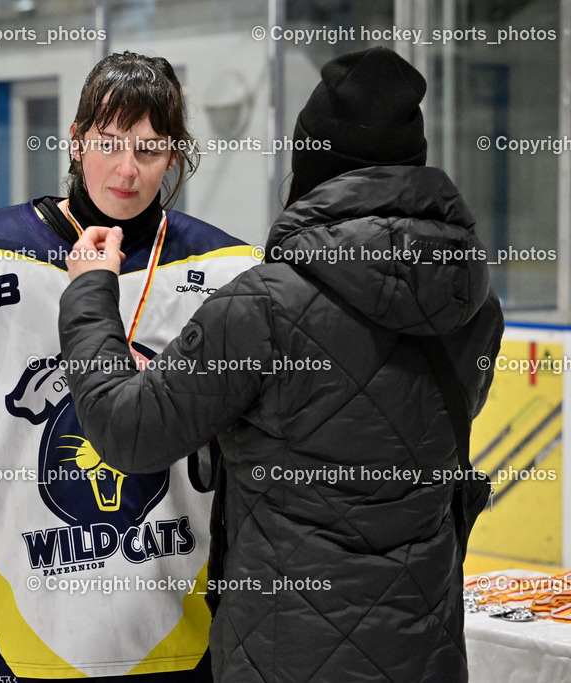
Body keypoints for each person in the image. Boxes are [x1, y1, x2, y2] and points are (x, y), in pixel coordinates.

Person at [56, 46, 505, 682]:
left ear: (310, 165)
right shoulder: (472, 301)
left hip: (285, 647)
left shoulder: (262, 306)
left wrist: (91, 293)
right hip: (424, 643)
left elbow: (127, 430)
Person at [0, 51, 260, 683]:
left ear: (174, 156)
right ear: (77, 138)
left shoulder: (228, 272)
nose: (127, 168)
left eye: (150, 148)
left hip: (179, 626)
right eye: (110, 142)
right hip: (14, 623)